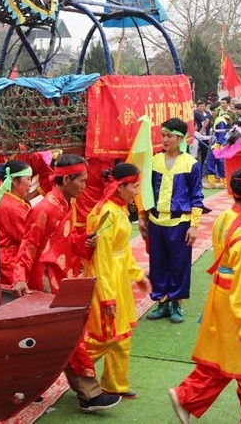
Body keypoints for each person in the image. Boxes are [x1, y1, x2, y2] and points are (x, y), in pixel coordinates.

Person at [12, 154, 121, 414]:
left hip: (63, 276)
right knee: (69, 336)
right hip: (47, 280)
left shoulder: (66, 203)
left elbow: (70, 239)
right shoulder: (45, 208)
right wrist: (18, 276)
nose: (85, 186)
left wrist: (86, 241)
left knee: (48, 339)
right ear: (68, 179)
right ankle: (89, 393)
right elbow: (28, 245)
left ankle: (24, 388)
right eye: (81, 180)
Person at [168, 167, 241, 424]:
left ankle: (188, 396)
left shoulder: (226, 217)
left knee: (225, 358)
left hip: (222, 294)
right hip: (240, 303)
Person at [84, 163, 152, 400]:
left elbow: (122, 250)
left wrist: (138, 275)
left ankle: (115, 384)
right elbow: (101, 260)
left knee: (122, 334)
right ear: (120, 185)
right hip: (106, 281)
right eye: (134, 186)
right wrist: (107, 297)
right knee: (105, 336)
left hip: (119, 278)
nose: (136, 191)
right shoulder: (106, 213)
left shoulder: (120, 208)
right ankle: (71, 364)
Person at [140, 117, 204, 324]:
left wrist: (194, 226)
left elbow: (197, 197)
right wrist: (142, 217)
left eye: (169, 136)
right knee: (158, 263)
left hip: (180, 222)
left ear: (180, 138)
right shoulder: (155, 161)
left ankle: (176, 302)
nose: (164, 140)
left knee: (179, 264)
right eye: (163, 136)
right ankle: (162, 301)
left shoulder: (191, 164)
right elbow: (145, 191)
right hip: (156, 221)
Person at [0, 159, 32, 286]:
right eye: (28, 179)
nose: (31, 183)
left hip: (4, 260)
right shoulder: (12, 207)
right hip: (8, 263)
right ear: (13, 180)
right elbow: (26, 237)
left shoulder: (12, 201)